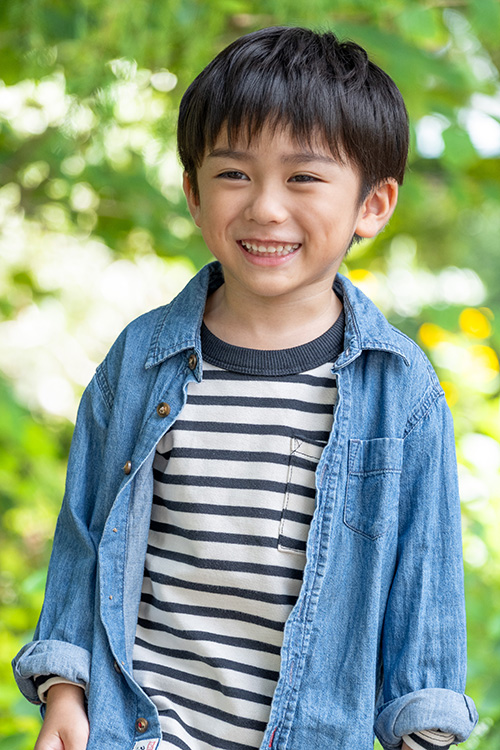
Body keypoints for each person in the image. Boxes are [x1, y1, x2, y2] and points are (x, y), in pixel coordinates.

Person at [13, 26, 478, 750]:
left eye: (304, 178)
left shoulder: (401, 391)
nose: (264, 207)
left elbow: (425, 591)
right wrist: (66, 692)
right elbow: (85, 537)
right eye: (233, 173)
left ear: (373, 204)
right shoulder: (141, 360)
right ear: (194, 193)